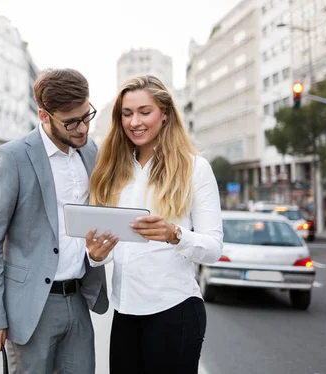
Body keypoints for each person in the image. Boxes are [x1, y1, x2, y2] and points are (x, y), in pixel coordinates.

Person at [0, 68, 111, 374]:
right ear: (44, 116)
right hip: (32, 307)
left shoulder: (90, 152)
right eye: (71, 122)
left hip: (79, 299)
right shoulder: (12, 158)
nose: (82, 128)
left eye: (86, 115)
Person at [86, 75, 223, 374]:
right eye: (127, 113)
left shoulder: (195, 169)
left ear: (165, 114)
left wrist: (175, 235)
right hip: (125, 313)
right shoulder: (112, 173)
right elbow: (109, 248)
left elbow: (213, 249)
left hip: (176, 311)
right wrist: (96, 255)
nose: (135, 121)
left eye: (144, 112)